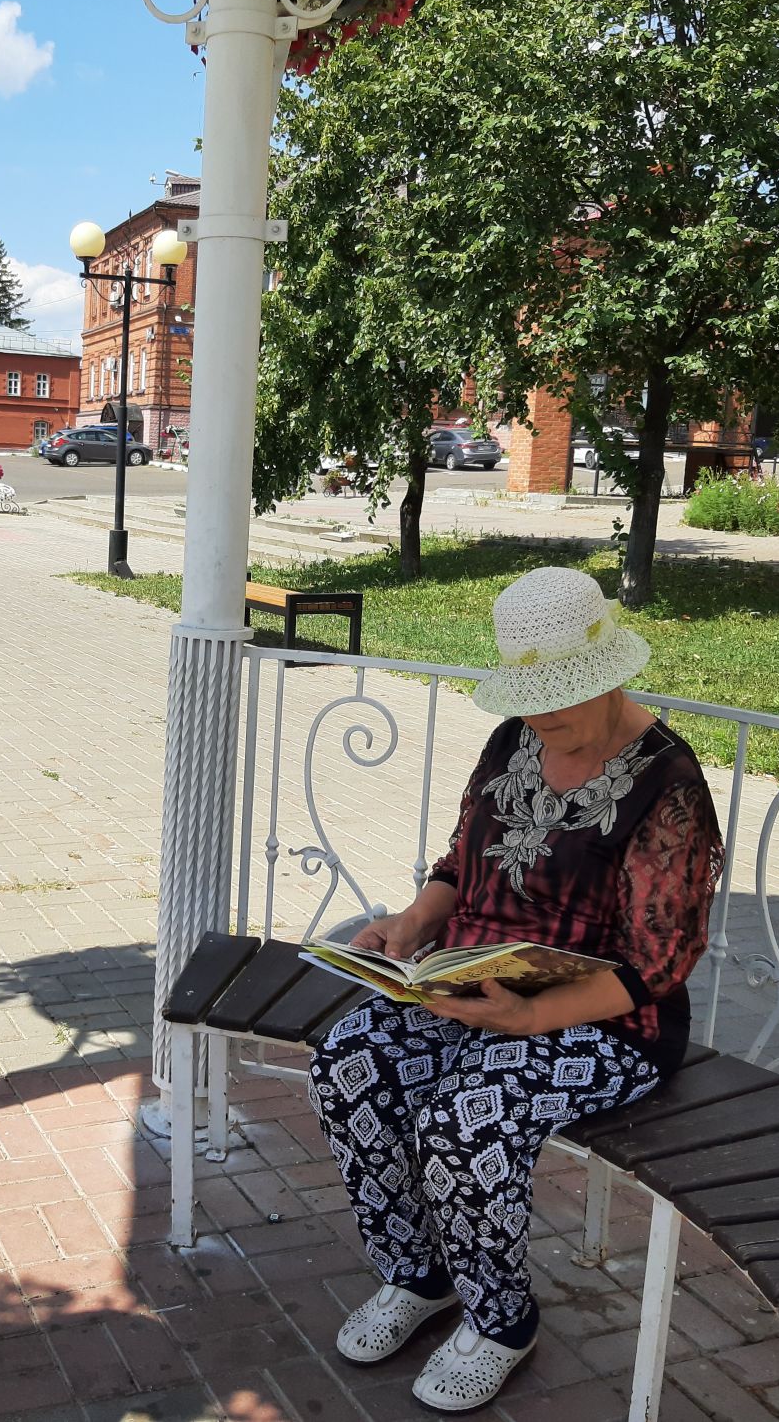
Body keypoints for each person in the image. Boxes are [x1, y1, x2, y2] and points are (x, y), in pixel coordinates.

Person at [308, 566, 723, 1413]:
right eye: (529, 700)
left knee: (465, 1115)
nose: (542, 720)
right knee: (348, 1062)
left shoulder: (667, 784)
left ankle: (501, 1319)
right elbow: (461, 861)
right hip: (479, 989)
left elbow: (659, 964)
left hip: (608, 1021)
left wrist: (531, 1015)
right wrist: (414, 926)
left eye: (558, 701)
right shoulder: (514, 740)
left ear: (608, 675)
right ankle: (418, 1275)